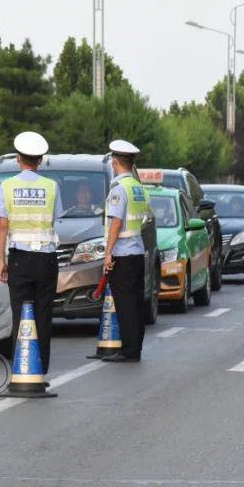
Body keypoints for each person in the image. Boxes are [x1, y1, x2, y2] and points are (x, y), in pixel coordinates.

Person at [0, 131, 64, 376]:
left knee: (20, 315)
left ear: (18, 159)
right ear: (40, 161)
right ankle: (40, 370)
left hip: (19, 259)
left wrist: (2, 260)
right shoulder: (51, 187)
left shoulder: (7, 186)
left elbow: (3, 226)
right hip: (46, 259)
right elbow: (55, 220)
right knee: (43, 315)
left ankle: (21, 369)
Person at [101, 140, 151, 363]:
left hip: (122, 253)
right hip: (137, 251)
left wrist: (108, 253)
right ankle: (135, 346)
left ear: (115, 162)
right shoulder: (139, 188)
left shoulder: (119, 189)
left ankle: (129, 350)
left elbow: (116, 222)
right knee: (136, 302)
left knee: (125, 304)